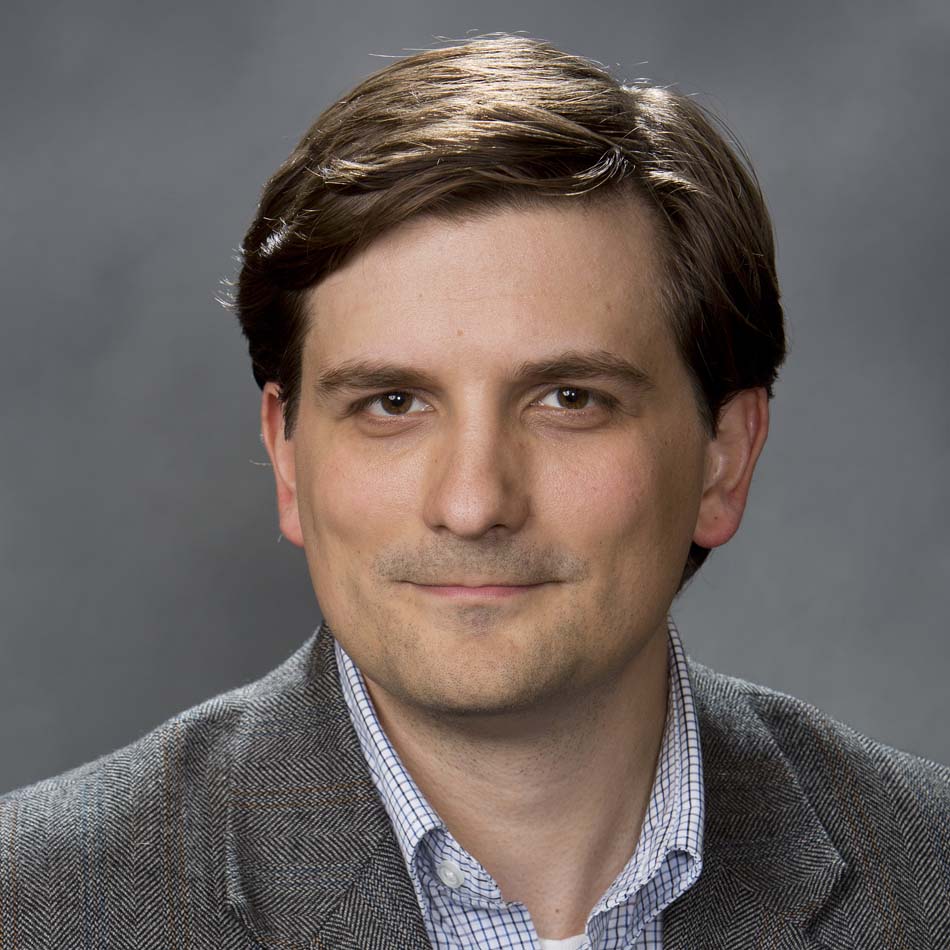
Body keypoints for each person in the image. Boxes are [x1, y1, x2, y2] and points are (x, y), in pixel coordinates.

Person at [1, 33, 947, 950]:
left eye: (570, 399)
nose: (472, 502)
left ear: (722, 458)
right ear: (288, 460)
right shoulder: (35, 906)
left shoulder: (926, 878)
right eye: (393, 403)